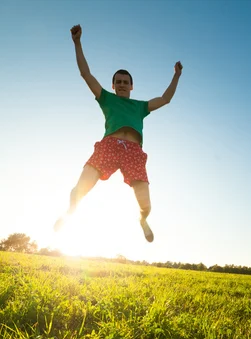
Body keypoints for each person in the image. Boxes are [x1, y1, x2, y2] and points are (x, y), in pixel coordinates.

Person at [54, 24, 182, 242]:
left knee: (146, 205)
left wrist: (176, 75)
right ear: (113, 86)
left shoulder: (140, 106)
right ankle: (69, 213)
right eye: (118, 82)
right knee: (80, 189)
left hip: (133, 152)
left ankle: (142, 220)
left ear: (132, 86)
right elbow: (86, 74)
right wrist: (77, 43)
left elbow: (165, 99)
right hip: (109, 146)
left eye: (126, 82)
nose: (122, 85)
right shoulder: (106, 98)